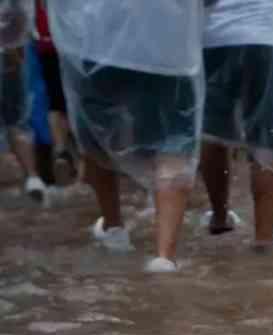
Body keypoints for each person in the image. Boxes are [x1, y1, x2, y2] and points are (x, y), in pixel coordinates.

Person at [47, 0, 206, 271]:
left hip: (99, 46)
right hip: (169, 49)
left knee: (97, 134)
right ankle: (164, 256)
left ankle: (113, 227)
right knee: (174, 143)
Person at [198, 0, 273, 243]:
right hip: (265, 35)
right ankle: (264, 239)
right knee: (267, 138)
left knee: (212, 132)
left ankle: (220, 217)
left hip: (214, 36)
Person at [1, 0, 45, 201]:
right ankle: (32, 178)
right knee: (18, 122)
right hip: (9, 52)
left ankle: (28, 178)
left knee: (16, 121)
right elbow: (20, 13)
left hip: (9, 51)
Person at [33, 0, 73, 187]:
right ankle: (86, 160)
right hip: (75, 42)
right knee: (78, 101)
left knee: (55, 102)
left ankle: (61, 149)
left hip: (46, 40)